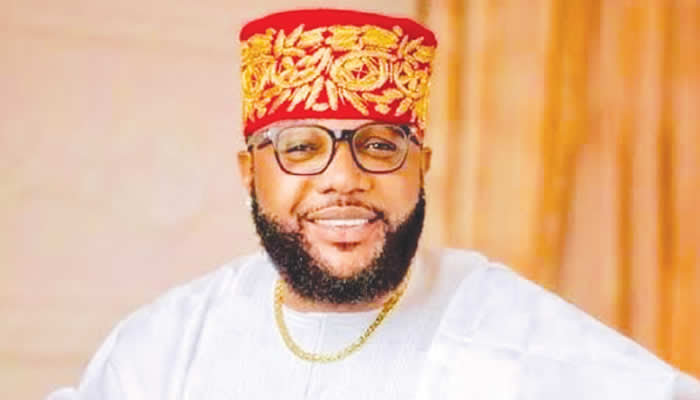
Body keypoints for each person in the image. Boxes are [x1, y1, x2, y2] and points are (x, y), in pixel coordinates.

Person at [48, 8, 699, 400]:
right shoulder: (171, 342)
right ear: (250, 173)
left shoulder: (501, 321)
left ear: (422, 167)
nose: (343, 179)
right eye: (301, 148)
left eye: (380, 145)